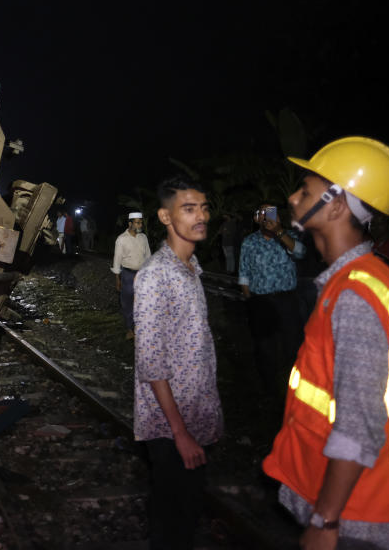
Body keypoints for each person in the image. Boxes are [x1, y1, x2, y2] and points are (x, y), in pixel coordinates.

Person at [263, 137, 389, 550]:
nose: (292, 196)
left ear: (337, 206)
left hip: (356, 518)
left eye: (305, 191)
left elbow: (358, 426)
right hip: (353, 504)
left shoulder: (356, 295)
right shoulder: (355, 281)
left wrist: (324, 521)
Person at [133, 177, 223, 549]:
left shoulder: (191, 268)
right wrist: (180, 433)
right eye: (189, 209)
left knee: (188, 512)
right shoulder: (156, 275)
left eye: (203, 207)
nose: (200, 216)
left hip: (198, 414)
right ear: (165, 217)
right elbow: (151, 363)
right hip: (171, 426)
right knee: (172, 520)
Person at [238, 204, 306, 397]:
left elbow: (301, 253)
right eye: (262, 214)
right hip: (261, 302)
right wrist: (249, 301)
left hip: (287, 300)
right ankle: (270, 392)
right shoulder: (249, 242)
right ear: (257, 219)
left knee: (293, 346)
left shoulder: (288, 236)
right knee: (265, 349)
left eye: (271, 213)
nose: (267, 217)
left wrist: (279, 232)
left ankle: (298, 390)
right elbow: (244, 273)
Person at [112, 212, 151, 340]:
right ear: (130, 223)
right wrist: (117, 279)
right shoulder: (121, 239)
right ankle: (129, 329)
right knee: (128, 302)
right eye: (137, 222)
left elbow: (148, 257)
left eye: (141, 222)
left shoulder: (143, 238)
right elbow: (117, 260)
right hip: (128, 274)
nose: (140, 225)